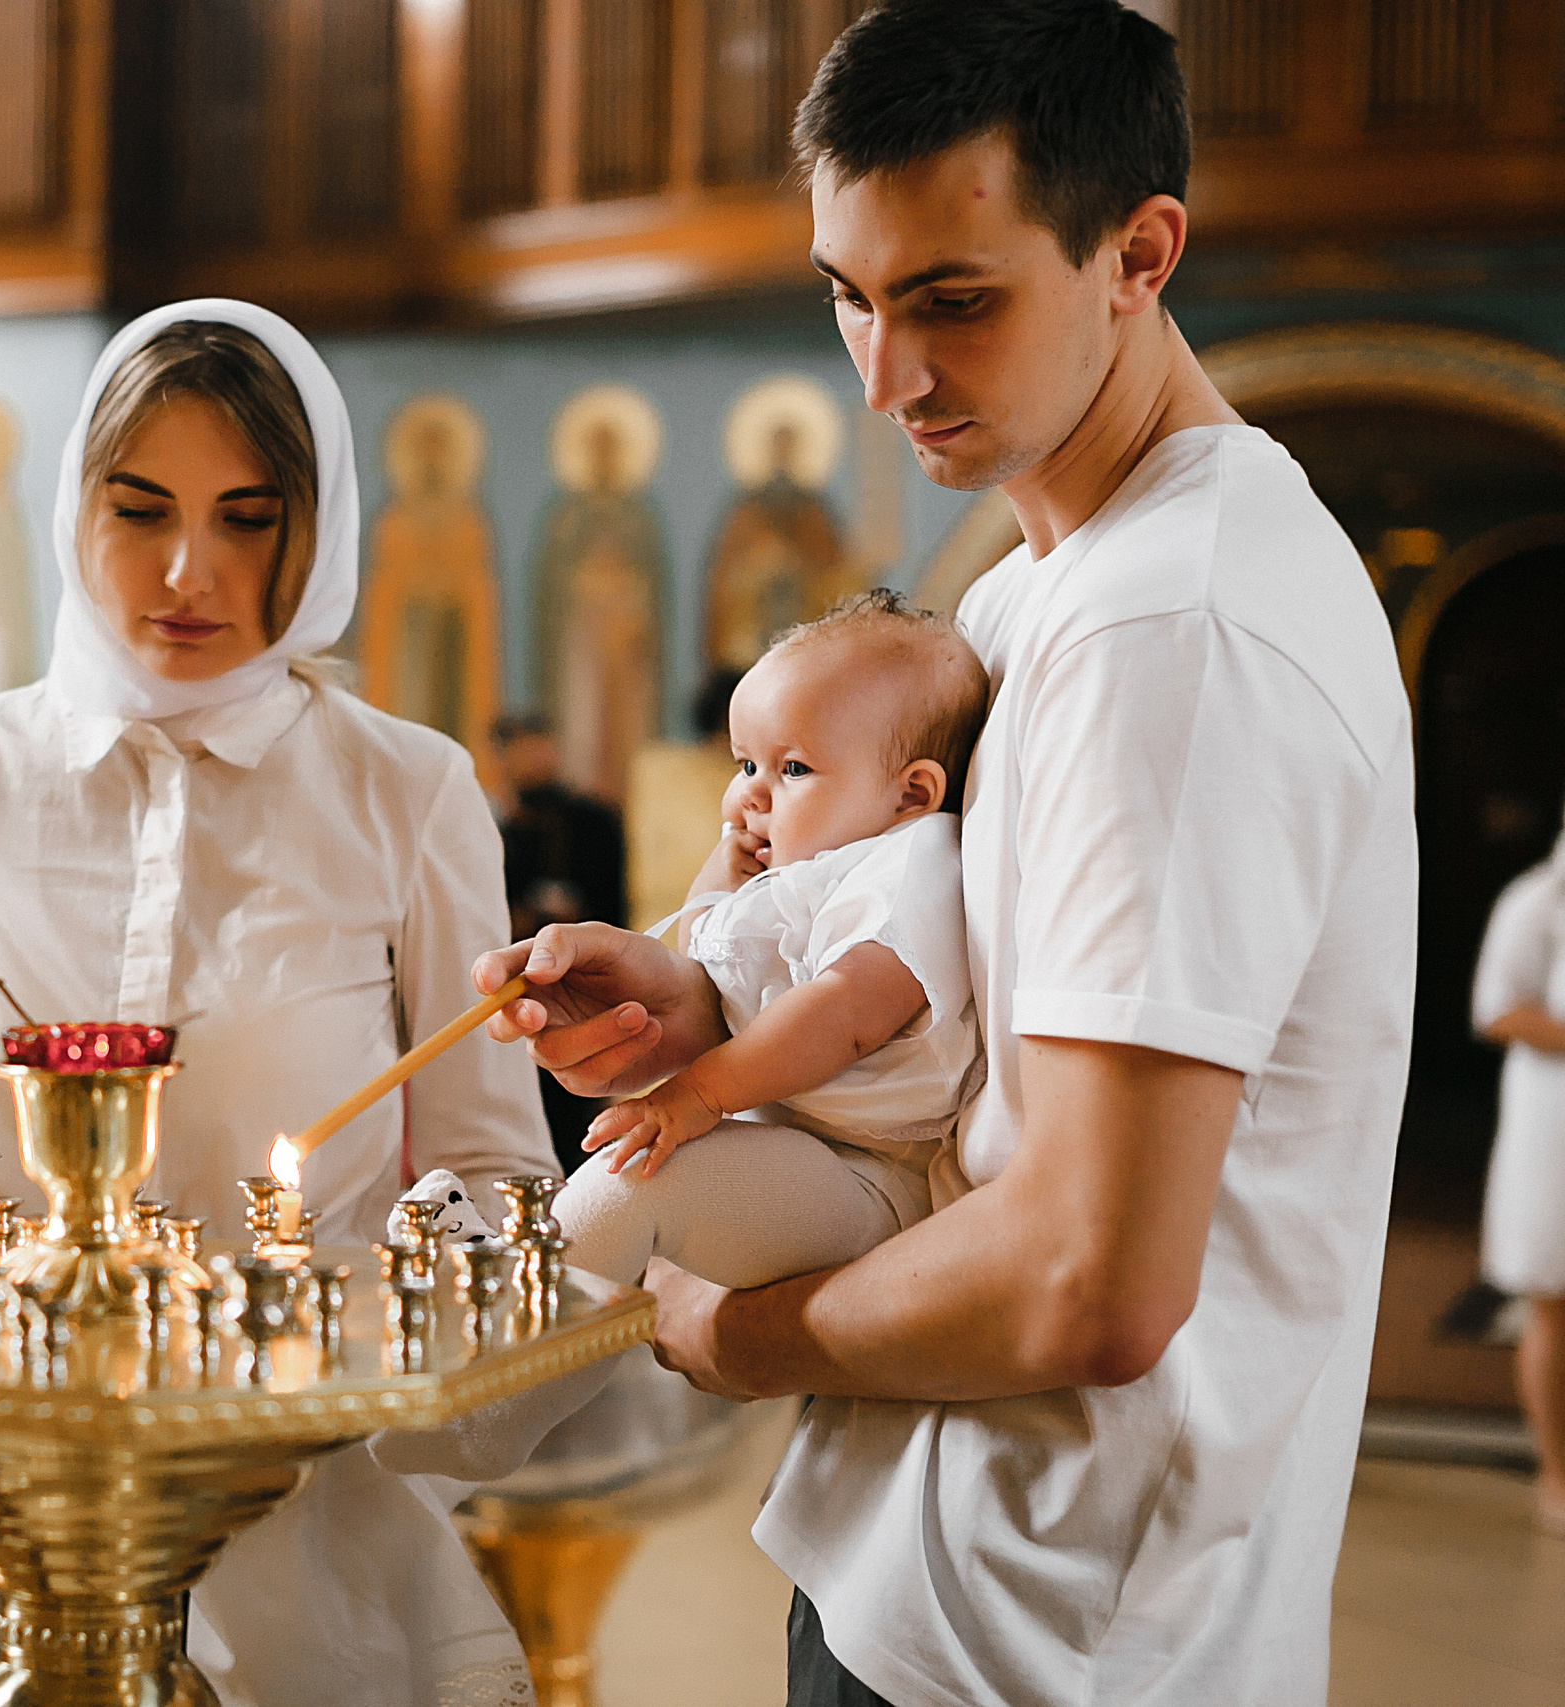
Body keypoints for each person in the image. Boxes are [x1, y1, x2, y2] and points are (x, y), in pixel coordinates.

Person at [473, 5, 1417, 1703]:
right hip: (927, 1544)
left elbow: (1089, 1280)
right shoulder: (1026, 596)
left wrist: (722, 1334)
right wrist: (701, 992)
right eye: (849, 292)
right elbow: (950, 1021)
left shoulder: (1178, 629)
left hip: (1050, 1623)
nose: (885, 373)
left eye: (952, 300)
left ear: (1139, 253)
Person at [0, 300, 557, 1707]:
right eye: (140, 510)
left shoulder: (410, 788)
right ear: (72, 503)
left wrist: (379, 1297)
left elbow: (490, 1167)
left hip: (283, 1498)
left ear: (314, 530)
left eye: (249, 517)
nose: (189, 570)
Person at [558, 591, 986, 1290]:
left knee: (637, 1180)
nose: (750, 796)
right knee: (631, 1183)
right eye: (743, 764)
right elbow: (703, 959)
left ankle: (508, 1311)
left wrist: (697, 1093)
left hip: (871, 1173)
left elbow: (845, 1012)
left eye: (791, 769)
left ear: (911, 795)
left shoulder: (908, 864)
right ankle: (506, 1276)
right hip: (793, 1140)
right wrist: (723, 876)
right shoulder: (803, 867)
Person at [1473, 824, 1565, 1536]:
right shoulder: (1536, 901)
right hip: (1552, 1128)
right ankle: (1556, 1472)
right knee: (1553, 1300)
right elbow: (1499, 1008)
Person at [494, 710, 629, 1174]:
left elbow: (614, 902)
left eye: (540, 744)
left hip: (585, 973)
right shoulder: (503, 826)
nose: (533, 758)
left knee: (582, 1099)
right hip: (521, 981)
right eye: (520, 748)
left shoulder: (594, 821)